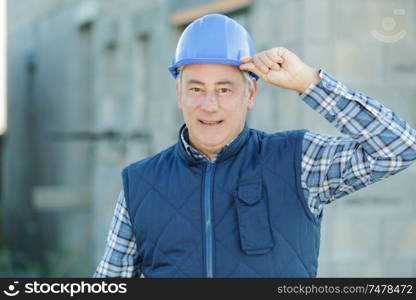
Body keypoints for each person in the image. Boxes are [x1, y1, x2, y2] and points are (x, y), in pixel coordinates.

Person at [93, 13, 416, 278]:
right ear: (179, 94)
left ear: (250, 95)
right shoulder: (140, 183)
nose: (209, 105)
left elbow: (398, 147)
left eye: (224, 90)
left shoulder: (297, 161)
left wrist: (308, 81)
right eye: (196, 89)